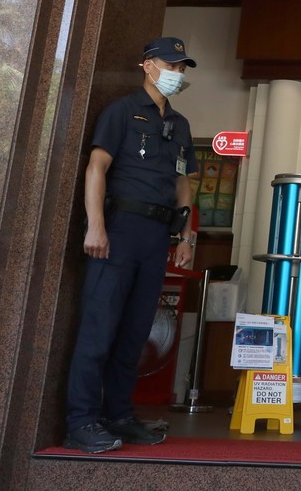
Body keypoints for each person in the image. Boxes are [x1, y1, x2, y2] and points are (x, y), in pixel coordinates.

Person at [63, 37, 198, 454]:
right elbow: (96, 168)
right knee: (99, 327)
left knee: (136, 330)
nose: (178, 73)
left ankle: (118, 415)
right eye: (171, 65)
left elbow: (183, 182)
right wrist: (96, 227)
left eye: (182, 67)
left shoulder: (179, 124)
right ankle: (81, 421)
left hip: (157, 236)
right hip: (119, 229)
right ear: (147, 65)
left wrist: (186, 236)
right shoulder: (121, 111)